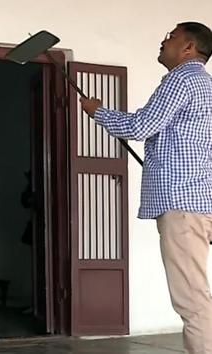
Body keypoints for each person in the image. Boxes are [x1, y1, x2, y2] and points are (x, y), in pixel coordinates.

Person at [80, 22, 212, 354]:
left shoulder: (181, 79)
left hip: (182, 204)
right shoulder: (206, 85)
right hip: (199, 200)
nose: (163, 40)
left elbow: (141, 126)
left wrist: (98, 112)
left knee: (192, 300)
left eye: (172, 36)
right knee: (198, 293)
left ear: (189, 48)